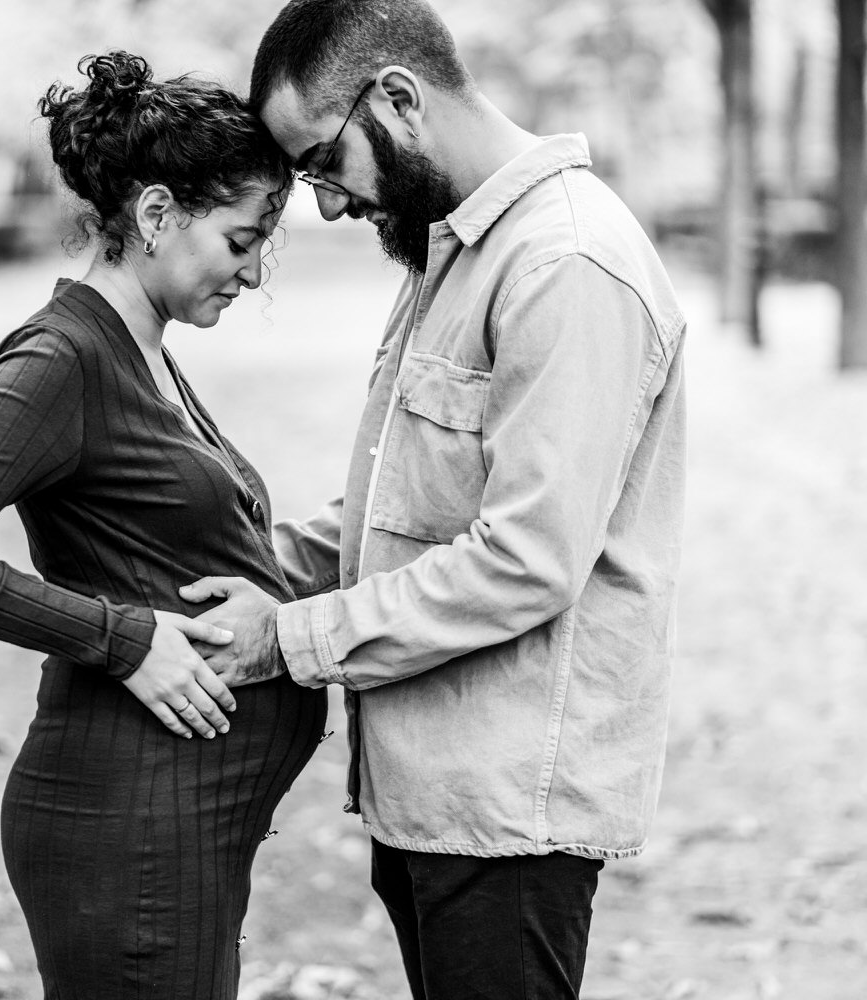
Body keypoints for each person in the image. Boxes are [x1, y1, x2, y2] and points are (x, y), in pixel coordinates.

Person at [178, 2, 688, 998]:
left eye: (322, 164)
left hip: (505, 819)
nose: (324, 205)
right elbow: (401, 513)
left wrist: (286, 640)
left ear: (399, 98)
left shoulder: (565, 264)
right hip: (428, 792)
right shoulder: (453, 252)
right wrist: (236, 568)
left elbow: (525, 559)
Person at [0, 51, 326, 1000]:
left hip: (177, 825)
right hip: (127, 830)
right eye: (241, 241)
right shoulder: (63, 356)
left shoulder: (143, 348)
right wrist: (123, 640)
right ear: (156, 215)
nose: (252, 272)